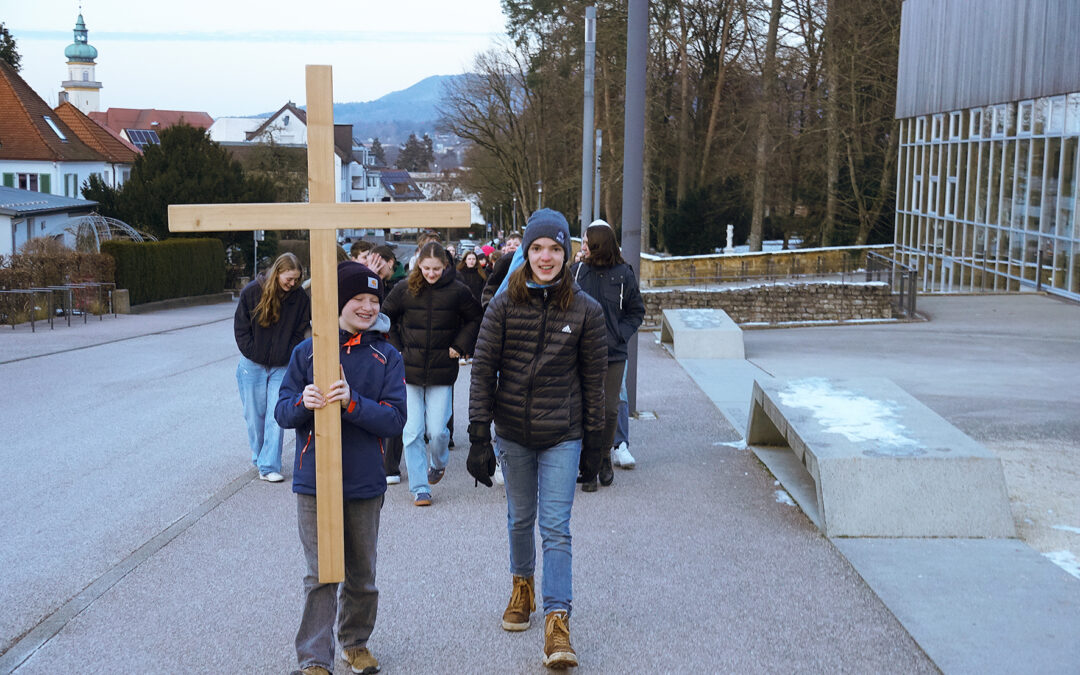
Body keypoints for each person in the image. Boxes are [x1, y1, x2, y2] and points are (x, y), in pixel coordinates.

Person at [467, 208, 607, 669]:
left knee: (556, 527)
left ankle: (557, 620)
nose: (546, 257)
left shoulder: (586, 311)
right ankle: (521, 587)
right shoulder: (504, 304)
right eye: (537, 248)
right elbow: (483, 370)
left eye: (554, 248)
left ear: (567, 253)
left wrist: (596, 445)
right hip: (513, 433)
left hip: (562, 434)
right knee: (519, 518)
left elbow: (594, 382)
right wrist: (477, 436)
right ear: (525, 253)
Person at [275, 261, 406, 675]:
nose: (367, 307)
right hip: (314, 481)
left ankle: (355, 642)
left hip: (365, 481)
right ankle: (314, 657)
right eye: (358, 299)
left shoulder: (386, 355)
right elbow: (282, 410)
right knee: (320, 574)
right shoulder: (307, 350)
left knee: (361, 574)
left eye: (373, 300)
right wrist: (303, 403)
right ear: (338, 301)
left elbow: (394, 419)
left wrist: (352, 403)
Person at [383, 242, 482, 506]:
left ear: (445, 266)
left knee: (438, 432)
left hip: (441, 370)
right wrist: (396, 349)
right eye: (426, 268)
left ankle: (438, 463)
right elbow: (385, 317)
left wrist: (460, 345)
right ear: (418, 265)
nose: (431, 273)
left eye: (436, 269)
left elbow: (476, 318)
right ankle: (420, 488)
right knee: (412, 431)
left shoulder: (458, 291)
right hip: (408, 370)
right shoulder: (404, 289)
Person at [570, 220, 645, 491]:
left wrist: (619, 335)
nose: (583, 246)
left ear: (599, 244)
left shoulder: (624, 273)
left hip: (613, 353)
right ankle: (587, 466)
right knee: (582, 408)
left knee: (609, 408)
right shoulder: (577, 271)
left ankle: (603, 457)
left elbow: (636, 311)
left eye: (587, 242)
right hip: (580, 352)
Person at [234, 252, 312, 483]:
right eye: (289, 278)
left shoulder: (299, 299)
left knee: (275, 415)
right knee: (254, 415)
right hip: (252, 364)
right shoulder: (251, 292)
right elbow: (241, 328)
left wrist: (288, 354)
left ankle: (268, 465)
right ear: (277, 273)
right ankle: (259, 456)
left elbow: (300, 331)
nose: (293, 283)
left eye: (296, 279)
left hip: (282, 366)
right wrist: (253, 352)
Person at [481, 231, 523, 307]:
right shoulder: (499, 266)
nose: (511, 246)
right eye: (508, 244)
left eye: (516, 245)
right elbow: (489, 289)